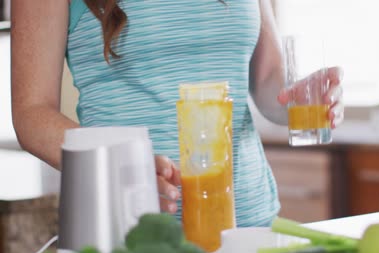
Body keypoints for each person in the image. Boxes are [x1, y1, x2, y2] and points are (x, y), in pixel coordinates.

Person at [10, 0, 344, 227]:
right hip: (130, 228)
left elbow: (269, 81)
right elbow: (31, 113)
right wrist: (116, 167)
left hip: (249, 222)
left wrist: (300, 99)